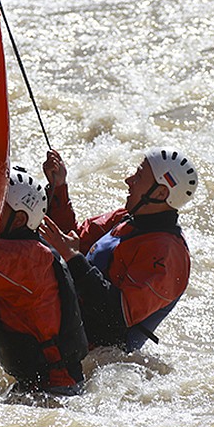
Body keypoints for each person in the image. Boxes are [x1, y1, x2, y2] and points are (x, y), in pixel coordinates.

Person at [39, 148, 196, 353]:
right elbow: (70, 238)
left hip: (94, 354)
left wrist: (73, 258)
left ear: (160, 193)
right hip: (68, 321)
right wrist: (59, 187)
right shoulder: (127, 218)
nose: (128, 180)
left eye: (139, 176)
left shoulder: (167, 255)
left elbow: (115, 316)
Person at [0, 166, 88, 396]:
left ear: (18, 220)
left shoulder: (28, 258)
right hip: (39, 386)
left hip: (55, 391)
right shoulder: (29, 250)